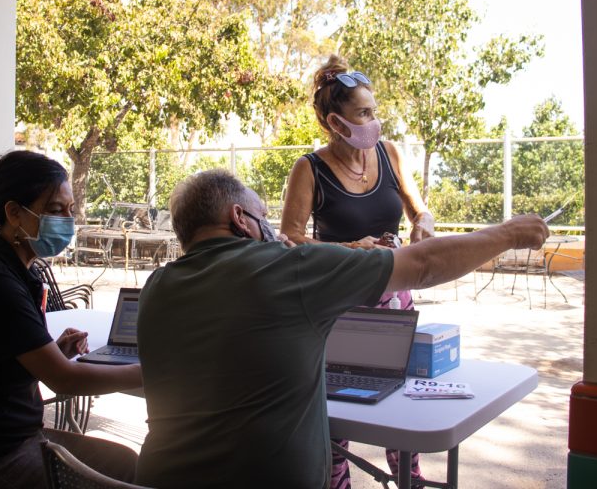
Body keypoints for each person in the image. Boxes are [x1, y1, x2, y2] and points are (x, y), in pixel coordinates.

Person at [135, 169, 548, 489]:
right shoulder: (285, 270)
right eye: (263, 216)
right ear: (240, 219)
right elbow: (420, 265)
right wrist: (508, 233)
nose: (274, 230)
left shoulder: (156, 287)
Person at [0, 151, 142, 489]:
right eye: (54, 210)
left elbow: (2, 361)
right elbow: (65, 381)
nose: (67, 220)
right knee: (122, 475)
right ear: (14, 213)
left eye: (70, 211)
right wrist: (154, 373)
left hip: (8, 439)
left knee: (125, 463)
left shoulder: (13, 270)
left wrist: (53, 351)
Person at [280, 54, 434, 484]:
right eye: (364, 113)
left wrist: (422, 225)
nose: (374, 120)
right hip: (338, 303)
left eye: (374, 110)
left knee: (400, 404)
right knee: (338, 413)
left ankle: (409, 480)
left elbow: (419, 211)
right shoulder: (308, 168)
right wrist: (351, 247)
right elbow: (289, 237)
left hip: (395, 297)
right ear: (335, 121)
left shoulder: (389, 154)